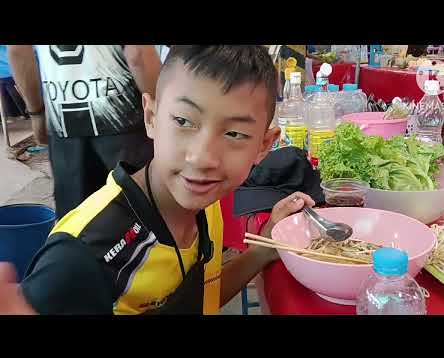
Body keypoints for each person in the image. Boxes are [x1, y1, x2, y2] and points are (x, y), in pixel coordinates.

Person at [0, 45, 315, 315]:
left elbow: (202, 296)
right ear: (150, 117)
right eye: (183, 121)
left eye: (234, 133)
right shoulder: (83, 256)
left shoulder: (206, 202)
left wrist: (264, 248)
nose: (202, 158)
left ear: (264, 144)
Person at [7, 45, 161, 218]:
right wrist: (164, 112)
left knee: (78, 223)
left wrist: (37, 113)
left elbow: (18, 51)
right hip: (124, 123)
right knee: (143, 213)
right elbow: (138, 54)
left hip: (63, 123)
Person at [0, 45, 28, 120]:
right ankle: (14, 114)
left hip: (10, 72)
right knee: (5, 98)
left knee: (15, 95)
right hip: (5, 74)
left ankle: (24, 113)